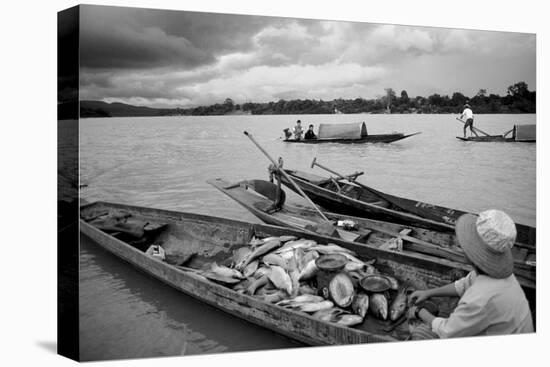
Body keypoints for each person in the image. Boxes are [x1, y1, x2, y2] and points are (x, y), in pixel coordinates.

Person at [407, 209, 533, 340]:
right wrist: (428, 292)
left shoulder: (479, 298)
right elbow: (463, 285)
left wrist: (418, 312)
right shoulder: (492, 274)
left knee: (419, 334)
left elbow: (447, 332)